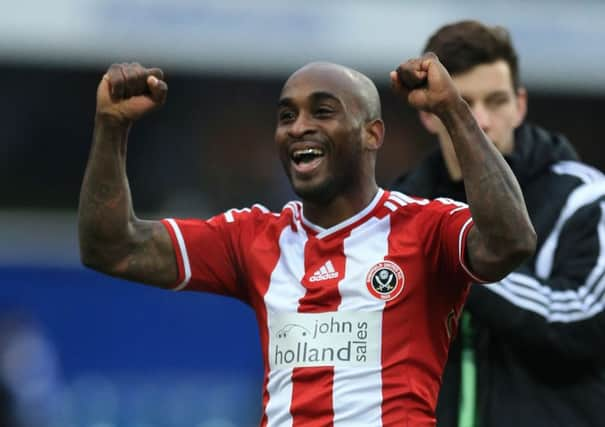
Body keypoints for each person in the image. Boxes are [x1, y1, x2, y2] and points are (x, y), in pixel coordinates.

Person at [78, 56, 535, 426]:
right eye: (286, 115)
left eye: (322, 111)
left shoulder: (427, 228)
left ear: (372, 134)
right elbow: (113, 247)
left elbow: (510, 240)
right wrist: (111, 128)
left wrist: (453, 111)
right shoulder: (252, 237)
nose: (298, 126)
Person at [391, 20, 605, 427]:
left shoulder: (584, 199)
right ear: (430, 114)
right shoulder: (402, 209)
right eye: (464, 104)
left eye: (497, 101)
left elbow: (584, 323)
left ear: (520, 105)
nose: (482, 121)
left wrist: (461, 260)